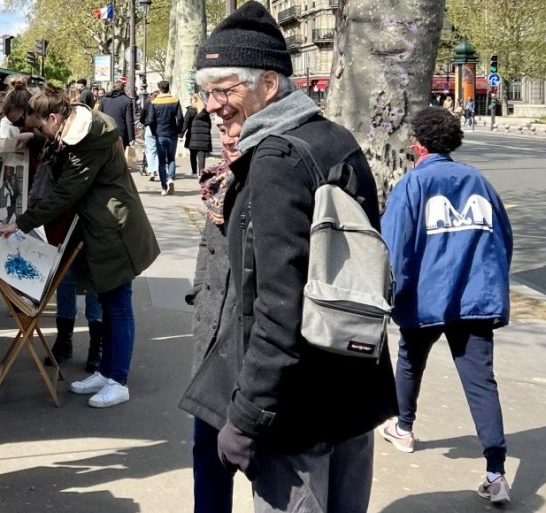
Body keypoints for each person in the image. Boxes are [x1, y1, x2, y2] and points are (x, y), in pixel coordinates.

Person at [194, 3, 398, 511]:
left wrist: (246, 415)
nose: (212, 105)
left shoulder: (276, 158)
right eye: (206, 92)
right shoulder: (333, 137)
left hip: (296, 410)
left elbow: (276, 307)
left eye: (224, 89)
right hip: (352, 386)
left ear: (268, 83)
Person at [0, 83, 160, 408]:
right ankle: (108, 372)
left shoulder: (85, 140)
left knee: (118, 306)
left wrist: (21, 223)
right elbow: (61, 153)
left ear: (54, 118)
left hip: (115, 226)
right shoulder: (78, 128)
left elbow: (66, 192)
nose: (41, 132)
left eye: (41, 126)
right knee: (111, 303)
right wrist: (35, 137)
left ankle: (118, 380)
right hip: (105, 223)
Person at [378, 106, 513, 504]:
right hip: (475, 297)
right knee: (481, 382)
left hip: (425, 297)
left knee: (409, 360)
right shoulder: (478, 180)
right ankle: (496, 471)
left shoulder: (412, 184)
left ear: (417, 143)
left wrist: (391, 292)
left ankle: (403, 428)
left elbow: (394, 247)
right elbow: (502, 236)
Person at [180, 115, 241, 513]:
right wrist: (201, 291)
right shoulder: (219, 182)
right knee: (208, 448)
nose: (229, 139)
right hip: (213, 336)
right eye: (224, 131)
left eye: (238, 131)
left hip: (252, 339)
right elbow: (208, 248)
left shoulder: (272, 178)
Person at [146, 80, 183, 195]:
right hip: (172, 134)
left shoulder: (154, 102)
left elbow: (151, 120)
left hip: (159, 134)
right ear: (168, 88)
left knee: (161, 161)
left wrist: (153, 131)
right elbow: (180, 118)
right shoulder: (175, 101)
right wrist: (178, 130)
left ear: (159, 88)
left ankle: (163, 187)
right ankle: (171, 178)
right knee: (171, 158)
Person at [96, 80, 136, 147]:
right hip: (121, 134)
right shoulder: (127, 100)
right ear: (123, 88)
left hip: (106, 132)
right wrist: (131, 138)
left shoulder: (104, 100)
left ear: (113, 88)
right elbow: (129, 121)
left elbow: (99, 117)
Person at [181, 93, 213, 178]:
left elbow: (186, 123)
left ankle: (194, 172)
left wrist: (181, 134)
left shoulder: (191, 110)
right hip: (203, 138)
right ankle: (201, 172)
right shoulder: (206, 112)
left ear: (194, 100)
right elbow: (209, 125)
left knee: (193, 155)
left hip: (192, 136)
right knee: (201, 156)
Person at [140, 91, 160, 180]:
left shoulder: (148, 105)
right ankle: (158, 170)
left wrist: (145, 123)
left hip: (149, 128)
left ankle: (151, 171)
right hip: (160, 129)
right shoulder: (161, 105)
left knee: (150, 150)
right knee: (159, 150)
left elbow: (141, 117)